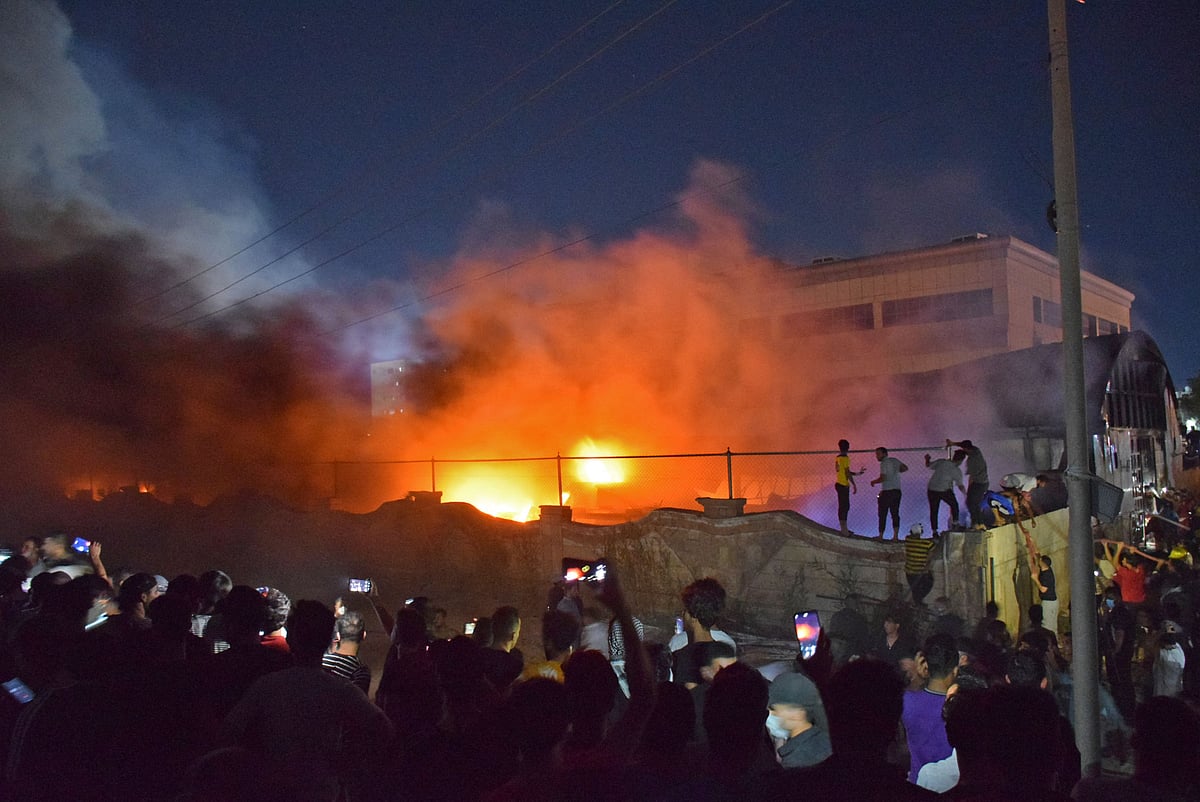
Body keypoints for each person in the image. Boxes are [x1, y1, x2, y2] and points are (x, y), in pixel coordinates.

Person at [222, 600, 393, 802]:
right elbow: (384, 730)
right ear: (330, 640)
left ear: (292, 639)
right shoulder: (340, 689)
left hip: (272, 791)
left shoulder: (268, 685)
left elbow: (229, 732)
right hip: (321, 791)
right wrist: (348, 760)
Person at [902, 634, 957, 784]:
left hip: (916, 782)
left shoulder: (907, 700)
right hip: (949, 787)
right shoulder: (958, 706)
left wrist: (918, 679)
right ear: (955, 670)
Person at [671, 577, 735, 689]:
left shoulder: (679, 647)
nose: (683, 613)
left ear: (693, 617)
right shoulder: (727, 647)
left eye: (686, 610)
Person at [767, 671, 831, 768]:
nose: (771, 715)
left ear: (797, 714)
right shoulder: (825, 740)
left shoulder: (796, 761)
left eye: (774, 709)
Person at [321, 609, 372, 694]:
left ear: (338, 636)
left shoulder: (322, 659)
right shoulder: (360, 672)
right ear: (364, 635)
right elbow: (357, 703)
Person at [946, 440, 988, 529]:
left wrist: (968, 491)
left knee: (970, 503)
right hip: (984, 482)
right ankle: (980, 523)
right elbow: (964, 445)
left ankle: (976, 523)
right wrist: (953, 443)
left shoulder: (972, 461)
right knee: (975, 504)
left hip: (978, 483)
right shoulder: (977, 451)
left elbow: (971, 478)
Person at [1024, 530, 1059, 635]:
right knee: (1052, 624)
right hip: (1051, 601)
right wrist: (1031, 540)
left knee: (1048, 625)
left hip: (1049, 602)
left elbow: (1043, 589)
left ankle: (1052, 643)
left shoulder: (1047, 575)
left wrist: (1035, 580)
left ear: (1043, 563)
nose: (1038, 561)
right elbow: (1037, 554)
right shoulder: (1046, 569)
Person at [869, 446, 908, 540]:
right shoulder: (894, 460)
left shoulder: (884, 463)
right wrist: (896, 472)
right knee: (895, 513)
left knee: (882, 514)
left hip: (887, 492)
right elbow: (905, 468)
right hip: (897, 491)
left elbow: (883, 478)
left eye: (878, 454)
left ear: (884, 453)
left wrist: (873, 482)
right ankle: (895, 536)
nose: (877, 456)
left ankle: (881, 536)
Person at [923, 450, 965, 534]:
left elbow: (928, 465)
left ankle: (934, 531)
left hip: (932, 489)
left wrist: (927, 459)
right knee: (954, 504)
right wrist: (966, 494)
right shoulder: (956, 470)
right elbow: (960, 485)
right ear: (961, 460)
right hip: (944, 490)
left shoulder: (942, 462)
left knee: (934, 510)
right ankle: (955, 523)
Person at [834, 439, 865, 536]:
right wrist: (854, 484)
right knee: (844, 507)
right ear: (848, 448)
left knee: (843, 506)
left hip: (839, 484)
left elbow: (843, 471)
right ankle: (844, 530)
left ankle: (844, 528)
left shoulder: (838, 458)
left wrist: (857, 473)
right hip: (843, 485)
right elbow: (847, 473)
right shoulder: (845, 458)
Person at [902, 524, 938, 606]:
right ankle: (918, 602)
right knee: (928, 584)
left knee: (915, 589)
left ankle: (917, 602)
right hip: (921, 571)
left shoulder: (908, 540)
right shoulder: (926, 544)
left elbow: (909, 536)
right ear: (921, 532)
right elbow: (933, 547)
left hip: (909, 572)